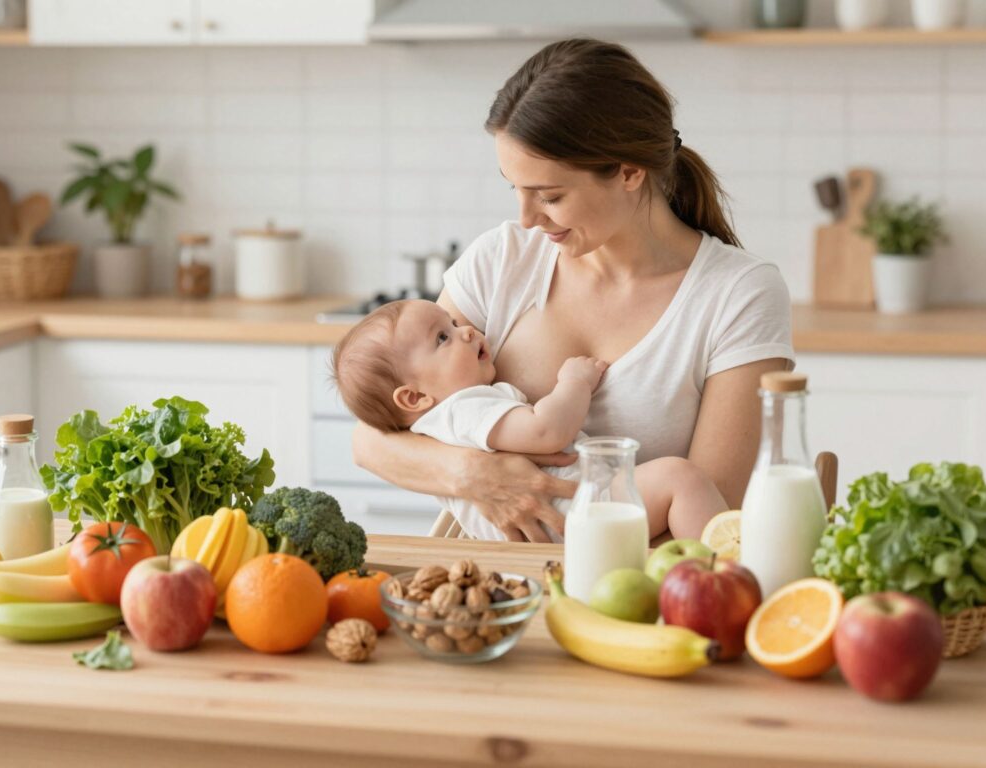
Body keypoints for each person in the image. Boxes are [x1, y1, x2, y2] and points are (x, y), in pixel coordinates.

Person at [351, 38, 794, 543]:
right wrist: (476, 477)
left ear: (629, 171)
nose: (526, 218)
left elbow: (715, 520)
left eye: (550, 196)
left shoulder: (739, 294)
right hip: (492, 590)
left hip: (642, 597)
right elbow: (372, 439)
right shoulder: (502, 260)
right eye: (514, 188)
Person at [332, 298, 728, 541]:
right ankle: (722, 577)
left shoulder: (443, 419)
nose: (468, 332)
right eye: (443, 338)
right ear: (415, 397)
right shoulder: (463, 409)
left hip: (555, 522)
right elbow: (546, 430)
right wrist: (574, 383)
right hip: (565, 517)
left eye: (452, 324)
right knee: (682, 479)